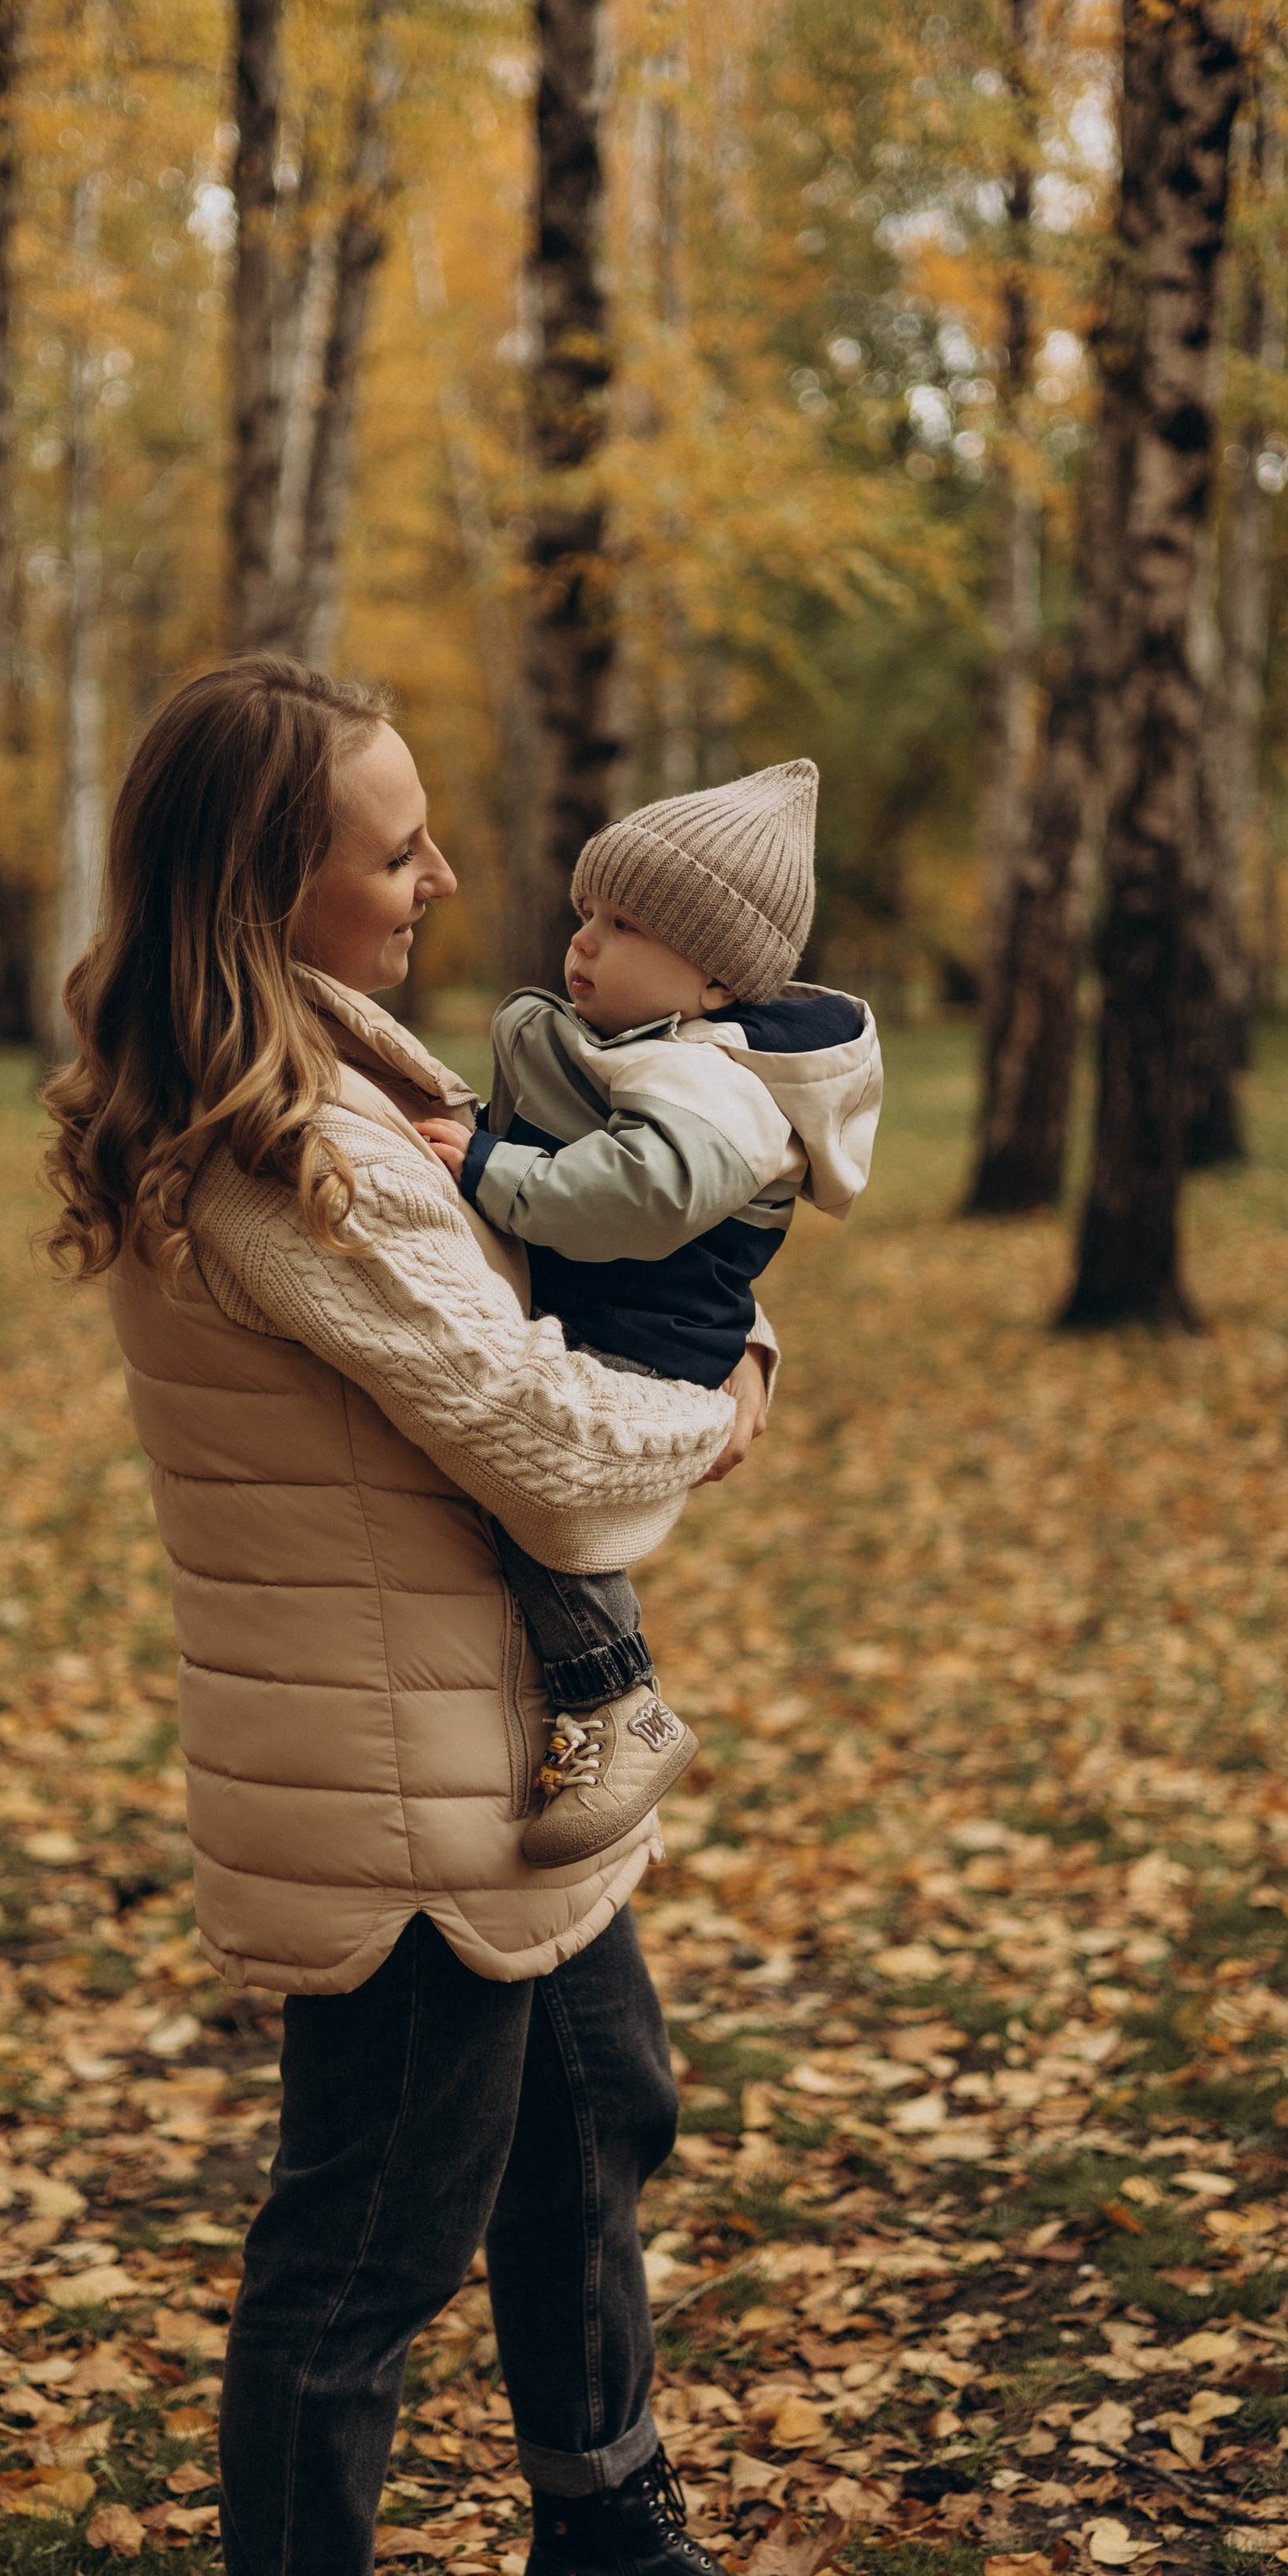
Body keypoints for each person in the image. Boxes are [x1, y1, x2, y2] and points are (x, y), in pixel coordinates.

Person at [43, 657, 828, 2576]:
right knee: (367, 2247)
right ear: (270, 884)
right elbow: (552, 1449)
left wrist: (721, 1295)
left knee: (596, 2121)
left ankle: (600, 2520)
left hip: (498, 1737)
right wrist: (730, 1409)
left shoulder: (346, 1063)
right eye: (394, 848)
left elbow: (569, 1269)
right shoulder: (283, 1142)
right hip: (398, 1775)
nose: (441, 878)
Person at [415, 762, 882, 1869]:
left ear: (716, 981)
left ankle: (619, 1698)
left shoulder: (708, 1080)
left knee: (538, 1501)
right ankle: (605, 1701)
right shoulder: (652, 1054)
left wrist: (493, 1171)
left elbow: (645, 1195)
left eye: (624, 926)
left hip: (645, 1342)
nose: (584, 944)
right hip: (640, 1324)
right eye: (587, 914)